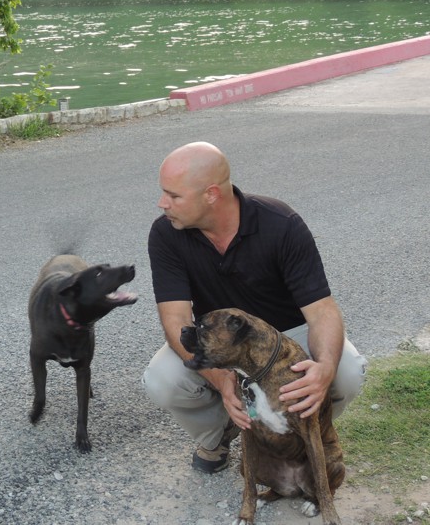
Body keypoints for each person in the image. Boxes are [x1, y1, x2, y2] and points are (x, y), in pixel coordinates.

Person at [142, 141, 365, 473]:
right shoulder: (166, 234)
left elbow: (322, 311)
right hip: (219, 340)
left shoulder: (281, 223)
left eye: (173, 196)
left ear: (211, 194)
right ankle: (221, 431)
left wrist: (324, 369)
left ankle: (301, 434)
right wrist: (219, 379)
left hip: (286, 335)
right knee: (162, 379)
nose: (162, 203)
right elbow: (175, 318)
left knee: (346, 373)